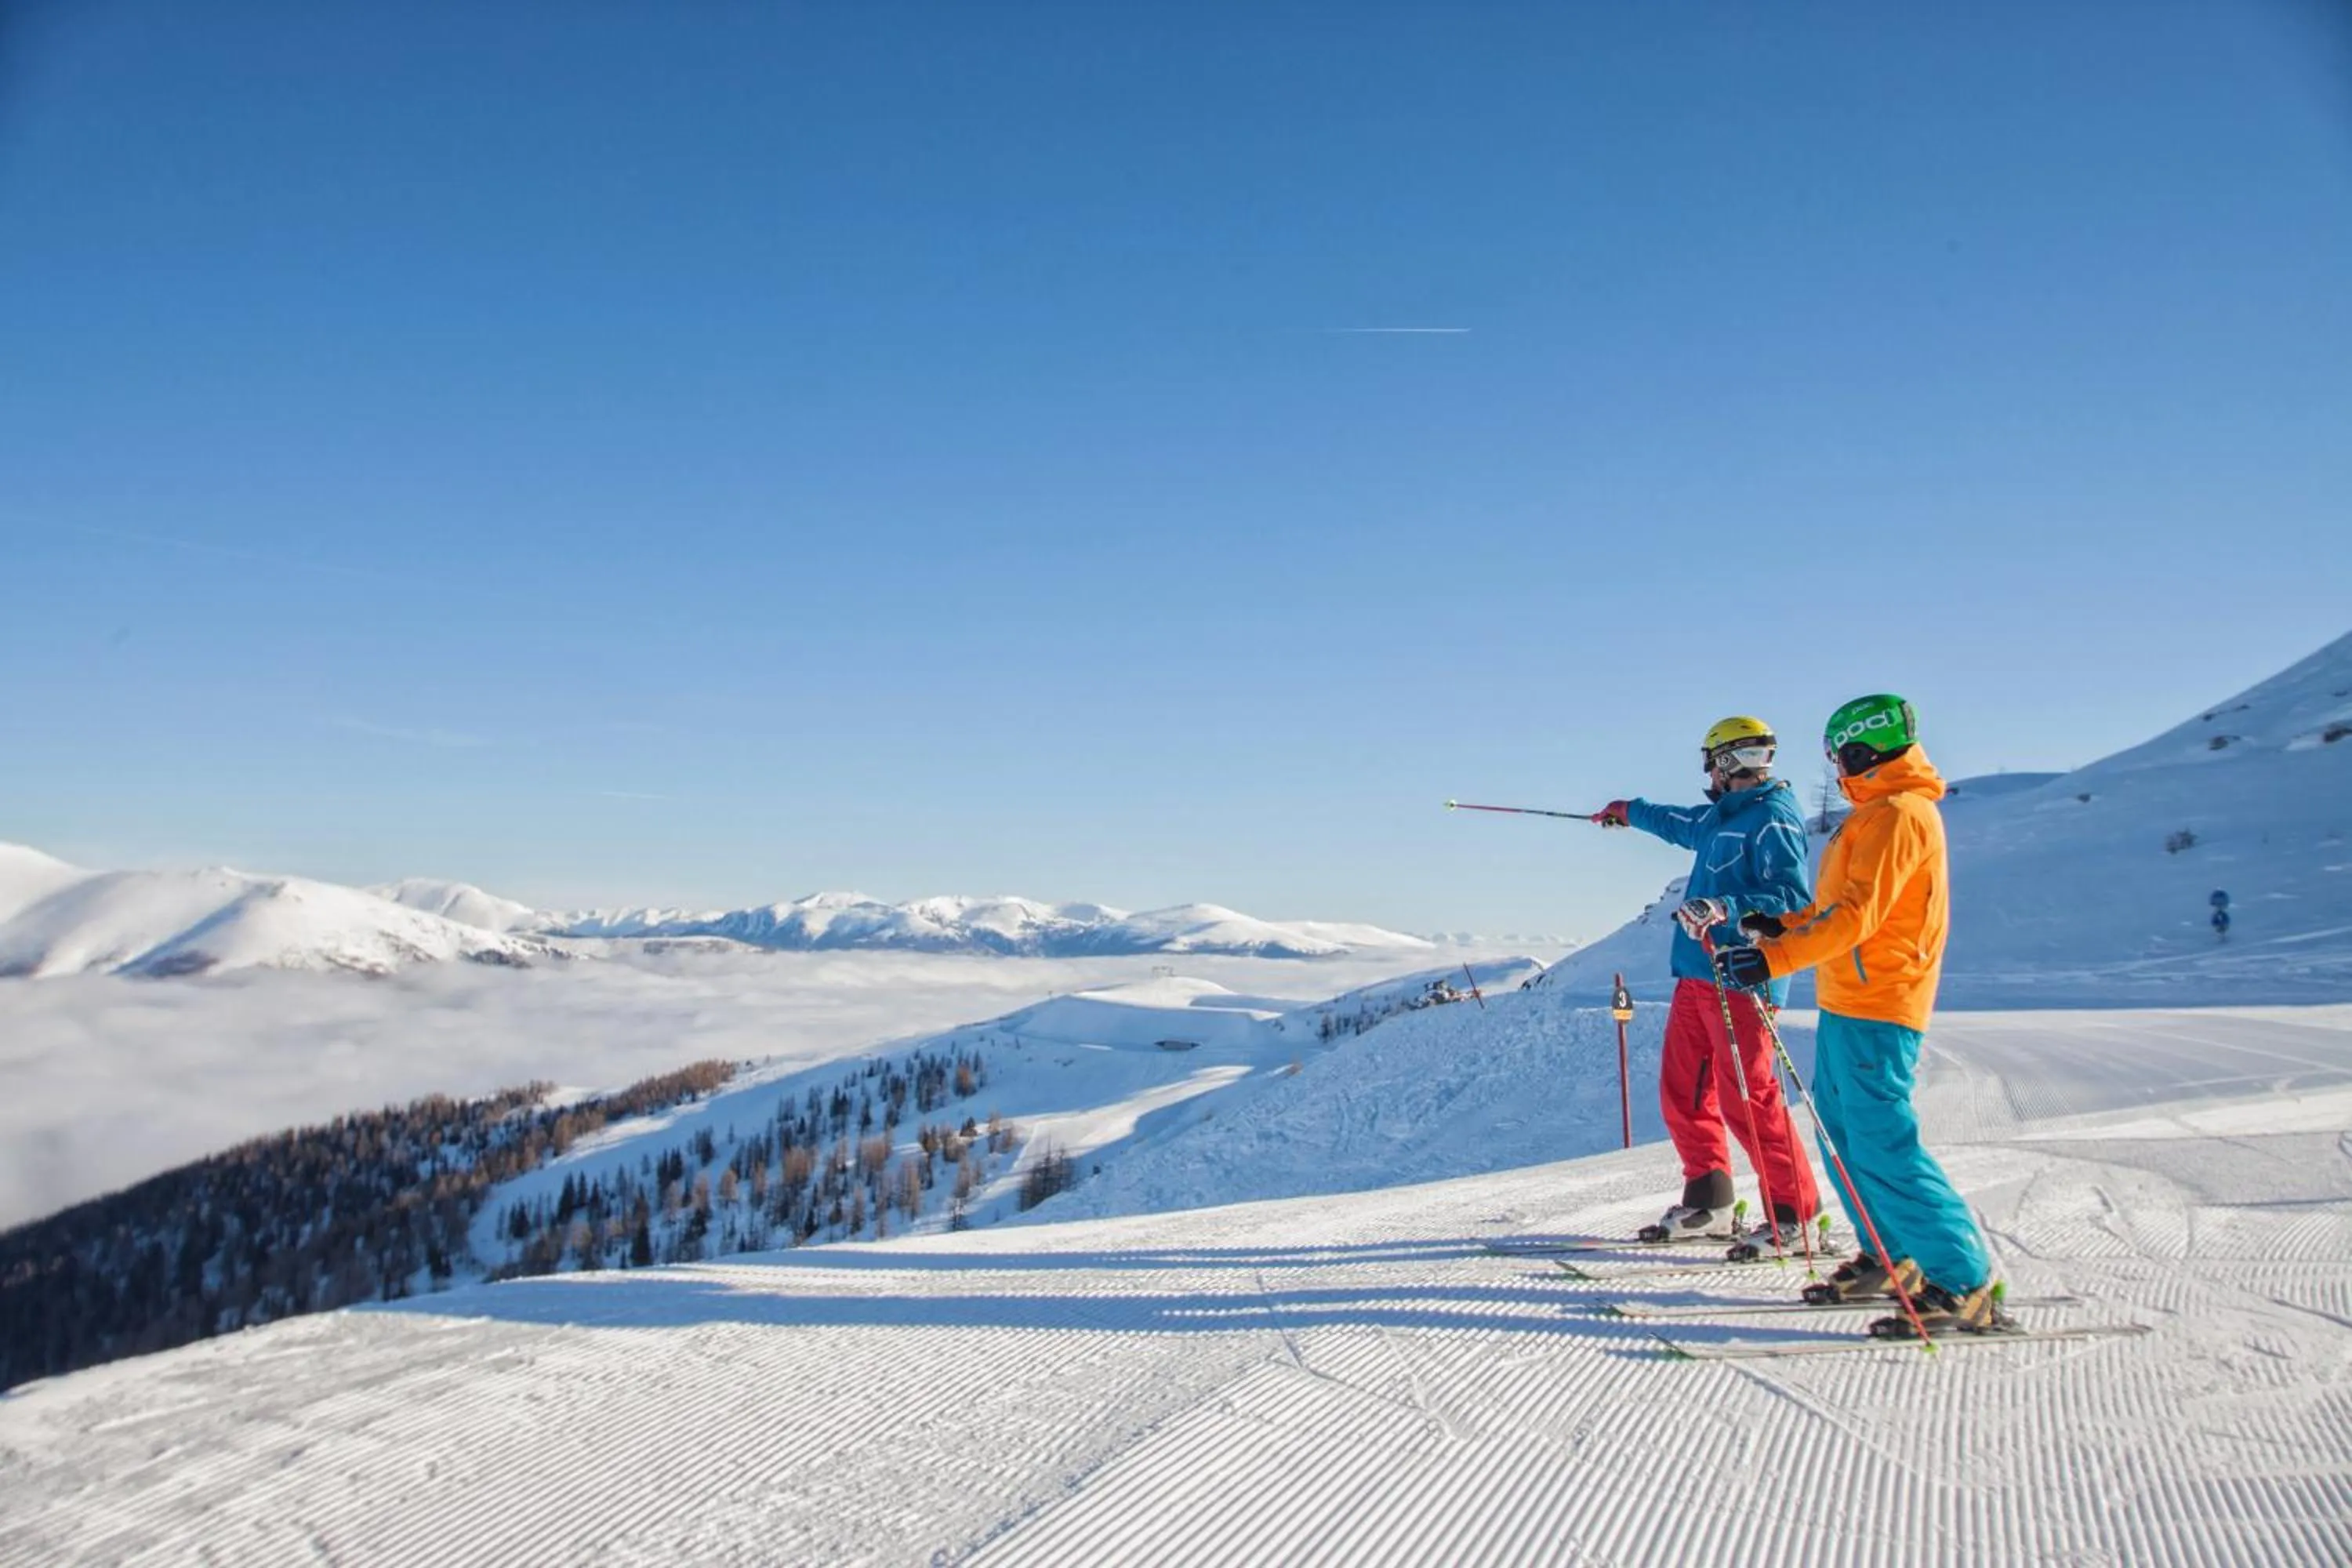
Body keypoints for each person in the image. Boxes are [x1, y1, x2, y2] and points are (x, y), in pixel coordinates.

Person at [1715, 694, 2001, 1334]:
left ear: (1859, 749)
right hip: (1848, 999)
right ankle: (1891, 1256)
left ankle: (1964, 1281)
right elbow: (1835, 908)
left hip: (1882, 1002)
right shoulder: (1875, 813)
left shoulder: (1899, 814)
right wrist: (1777, 926)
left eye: (1836, 754)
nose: (1834, 767)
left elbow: (1857, 917)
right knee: (1842, 1132)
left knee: (1881, 1140)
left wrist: (1775, 960)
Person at [1595, 716, 1821, 1253]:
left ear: (1724, 762)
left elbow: (1792, 898)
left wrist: (1725, 906)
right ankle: (1711, 1201)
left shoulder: (1772, 819)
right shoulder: (1725, 817)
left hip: (1743, 977)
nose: (1708, 773)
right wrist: (1627, 812)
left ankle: (1795, 1215)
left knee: (1749, 1097)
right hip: (1699, 976)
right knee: (1684, 1092)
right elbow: (1678, 821)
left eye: (1709, 762)